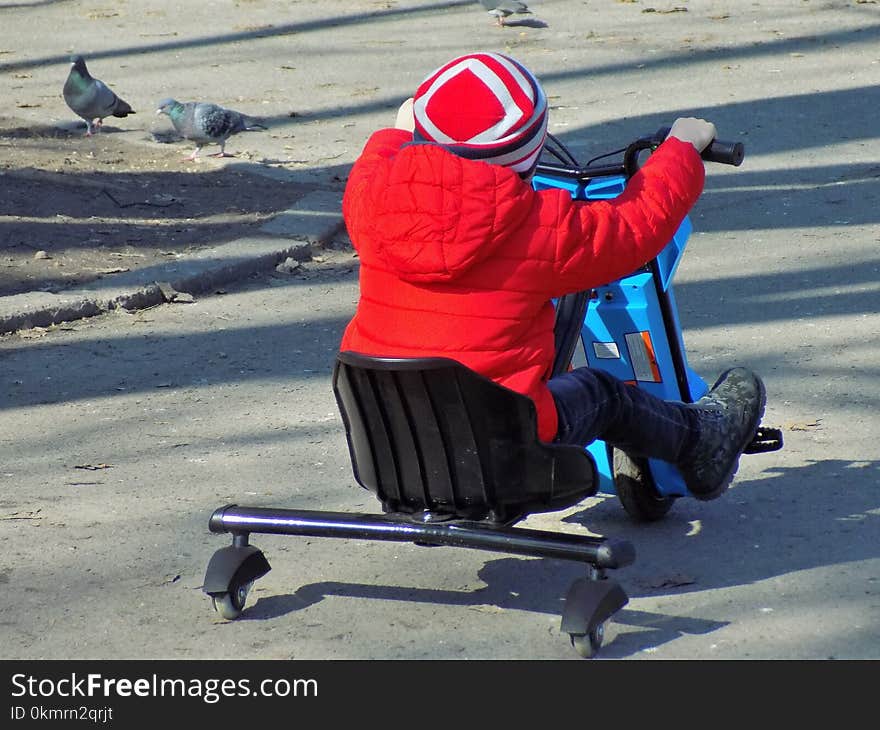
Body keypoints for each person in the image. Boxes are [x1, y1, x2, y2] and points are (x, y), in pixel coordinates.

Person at [339, 51, 765, 501]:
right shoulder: (536, 228)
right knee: (603, 393)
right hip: (502, 447)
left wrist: (400, 129)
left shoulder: (368, 195)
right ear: (528, 154)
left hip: (386, 434)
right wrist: (681, 149)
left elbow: (381, 150)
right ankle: (701, 443)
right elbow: (633, 226)